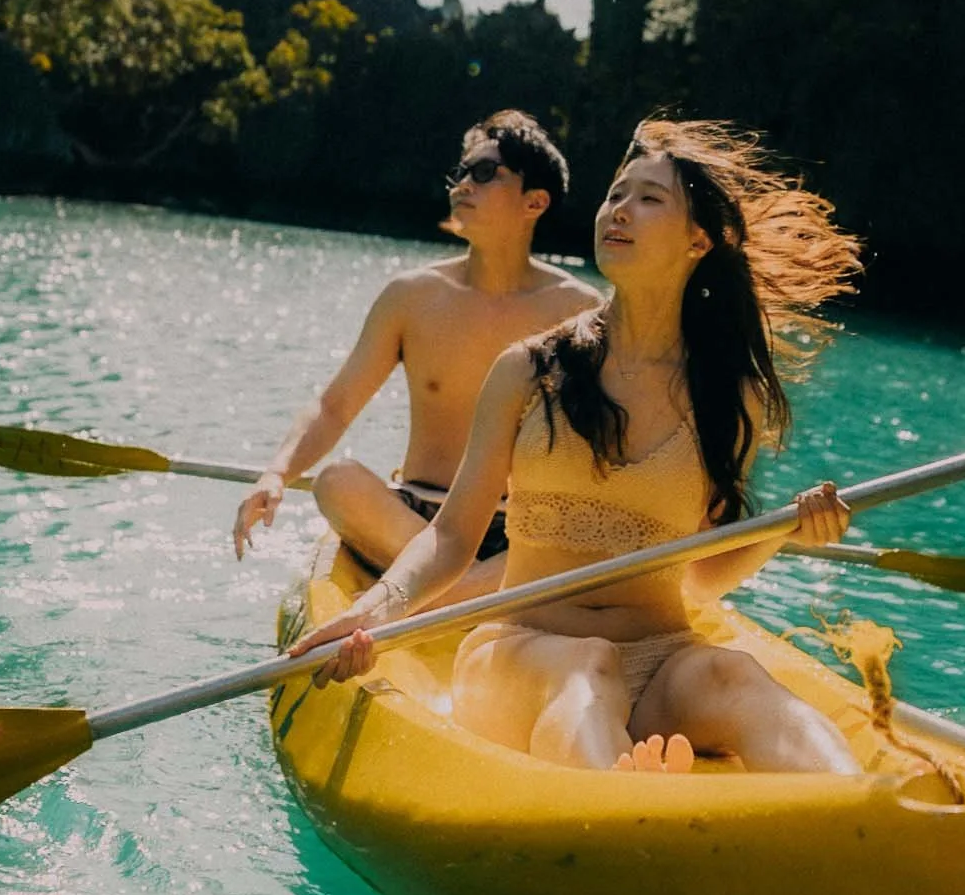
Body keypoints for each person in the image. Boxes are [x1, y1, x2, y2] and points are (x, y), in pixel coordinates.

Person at [289, 120, 864, 777]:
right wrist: (370, 612)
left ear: (697, 240)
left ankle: (867, 811)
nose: (618, 209)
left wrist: (782, 531)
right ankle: (630, 810)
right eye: (616, 193)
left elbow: (698, 574)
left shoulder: (731, 394)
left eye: (648, 199)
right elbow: (450, 539)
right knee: (587, 667)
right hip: (524, 652)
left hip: (660, 657)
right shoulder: (528, 370)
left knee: (735, 675)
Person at [232, 111, 600, 581]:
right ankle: (463, 589)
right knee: (335, 481)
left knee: (584, 531)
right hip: (414, 519)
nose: (463, 184)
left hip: (521, 529)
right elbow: (335, 406)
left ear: (535, 202)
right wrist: (275, 475)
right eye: (461, 172)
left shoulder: (578, 309)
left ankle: (432, 588)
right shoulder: (411, 296)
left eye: (485, 173)